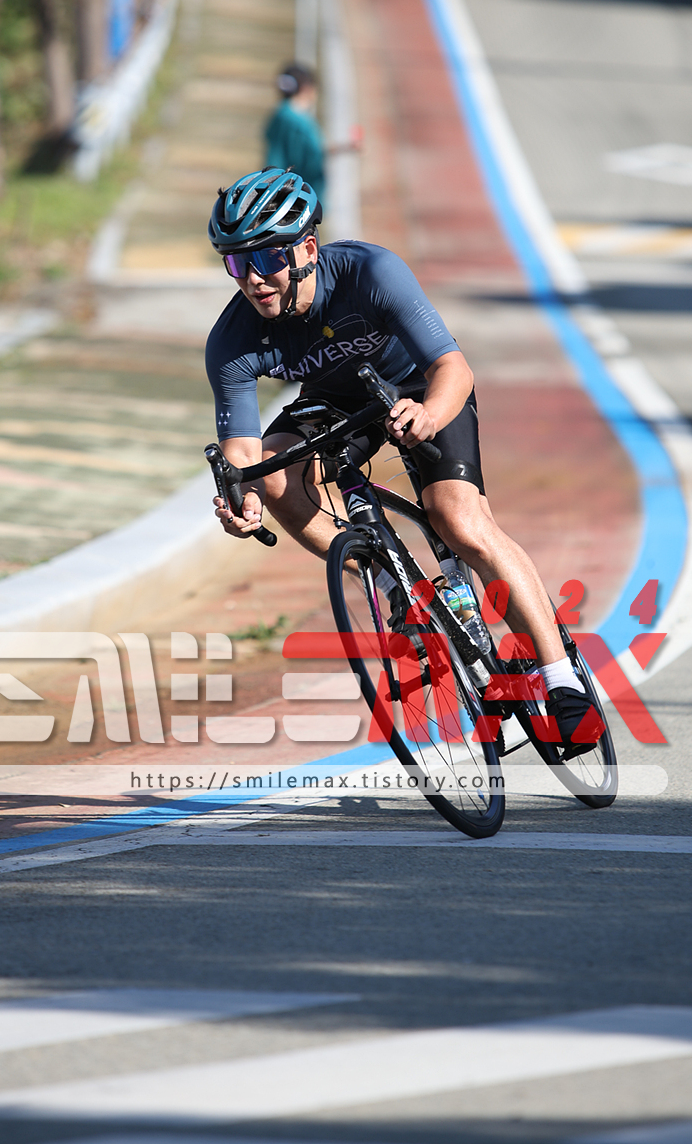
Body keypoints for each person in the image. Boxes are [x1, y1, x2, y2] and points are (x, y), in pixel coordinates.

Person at [204, 168, 605, 751]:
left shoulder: (371, 272)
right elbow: (243, 455)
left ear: (308, 249)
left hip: (419, 386)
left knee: (459, 521)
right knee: (272, 474)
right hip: (333, 401)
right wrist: (242, 500)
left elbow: (453, 369)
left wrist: (429, 415)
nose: (254, 279)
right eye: (238, 263)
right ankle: (393, 585)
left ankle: (560, 679)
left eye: (267, 258)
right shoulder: (232, 340)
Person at [262, 63, 326, 205]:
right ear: (306, 88)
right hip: (298, 194)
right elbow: (316, 150)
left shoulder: (279, 114)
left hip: (273, 184)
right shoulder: (301, 121)